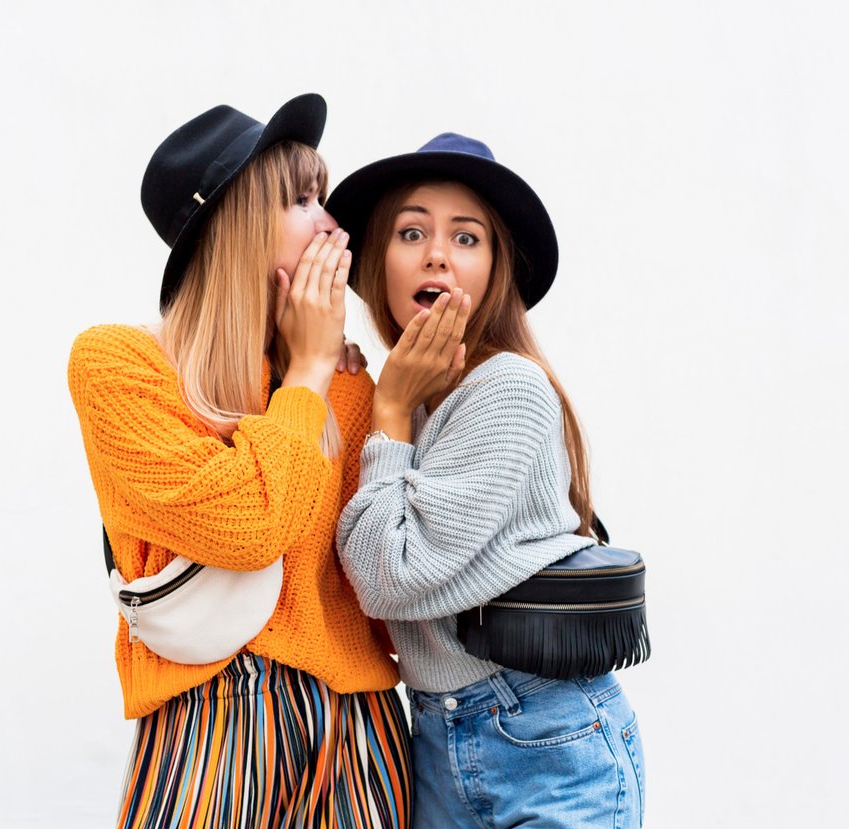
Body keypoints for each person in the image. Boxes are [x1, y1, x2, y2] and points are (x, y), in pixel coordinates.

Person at [67, 94, 410, 828]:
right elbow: (249, 526)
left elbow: (379, 572)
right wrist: (308, 378)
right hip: (213, 727)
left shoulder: (350, 385)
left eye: (323, 195)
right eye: (300, 199)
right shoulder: (121, 366)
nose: (330, 223)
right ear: (237, 227)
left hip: (359, 729)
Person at [329, 133, 645, 829]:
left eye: (465, 237)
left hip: (547, 740)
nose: (437, 252)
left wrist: (382, 412)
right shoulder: (411, 402)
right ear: (379, 260)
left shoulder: (507, 387)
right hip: (440, 740)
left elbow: (388, 577)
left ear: (496, 270)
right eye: (412, 231)